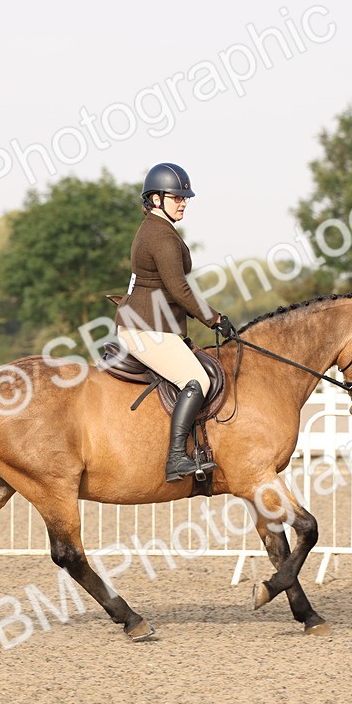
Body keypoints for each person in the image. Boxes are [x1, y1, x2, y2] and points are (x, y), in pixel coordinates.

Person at [113, 162, 237, 482]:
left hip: (152, 325)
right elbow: (179, 289)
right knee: (197, 380)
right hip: (145, 328)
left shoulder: (157, 230)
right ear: (156, 199)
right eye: (176, 197)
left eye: (185, 198)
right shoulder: (160, 236)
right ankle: (177, 458)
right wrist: (215, 319)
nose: (183, 203)